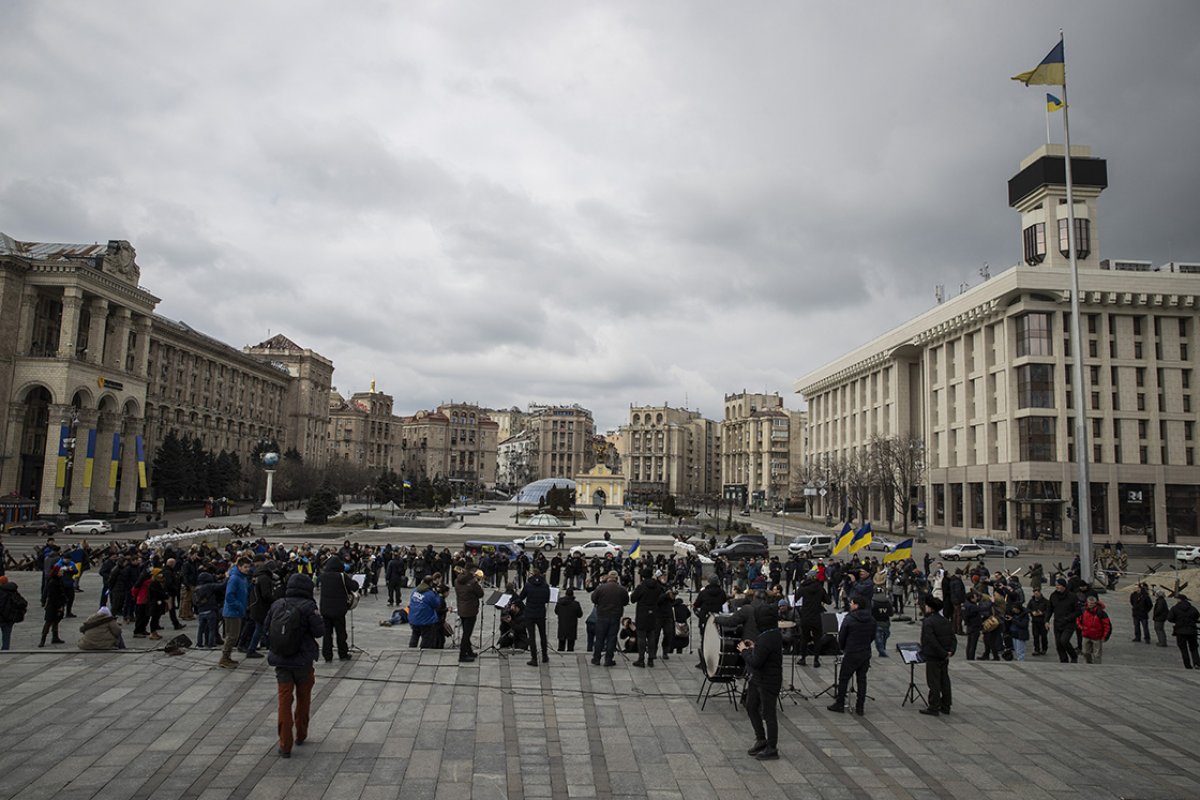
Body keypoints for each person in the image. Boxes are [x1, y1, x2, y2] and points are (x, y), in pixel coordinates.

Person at [264, 573, 325, 758]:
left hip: (281, 660)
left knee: (284, 701)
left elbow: (266, 627)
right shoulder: (309, 606)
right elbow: (319, 631)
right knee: (303, 697)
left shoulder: (277, 604)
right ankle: (301, 734)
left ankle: (285, 745)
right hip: (303, 661)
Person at [738, 605, 783, 760]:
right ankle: (761, 739)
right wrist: (754, 647)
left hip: (767, 680)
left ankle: (772, 748)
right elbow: (762, 653)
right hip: (758, 679)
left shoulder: (767, 638)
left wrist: (744, 650)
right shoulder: (771, 634)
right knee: (751, 706)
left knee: (768, 714)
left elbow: (756, 661)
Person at [828, 595, 876, 715]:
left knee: (844, 678)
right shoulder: (871, 619)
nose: (850, 604)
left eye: (852, 603)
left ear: (856, 605)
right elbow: (872, 636)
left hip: (852, 651)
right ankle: (860, 707)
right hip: (865, 652)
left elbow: (842, 636)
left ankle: (840, 704)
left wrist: (843, 648)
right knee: (862, 679)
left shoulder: (850, 618)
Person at [918, 595, 955, 717]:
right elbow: (952, 638)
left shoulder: (928, 622)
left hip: (934, 656)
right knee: (944, 680)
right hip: (944, 656)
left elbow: (930, 640)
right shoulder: (946, 620)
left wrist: (942, 653)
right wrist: (950, 651)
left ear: (931, 608)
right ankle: (946, 705)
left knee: (933, 681)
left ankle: (934, 706)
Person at [319, 555, 356, 662]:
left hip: (325, 609)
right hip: (339, 610)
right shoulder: (341, 576)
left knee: (327, 634)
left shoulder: (323, 576)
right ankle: (342, 653)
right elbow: (354, 586)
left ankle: (327, 655)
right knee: (341, 633)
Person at [220, 557, 253, 668]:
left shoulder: (242, 578)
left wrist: (251, 585)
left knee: (234, 636)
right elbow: (229, 596)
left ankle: (227, 657)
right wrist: (239, 606)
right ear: (239, 567)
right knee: (232, 636)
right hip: (232, 612)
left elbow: (243, 590)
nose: (247, 569)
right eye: (245, 567)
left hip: (237, 611)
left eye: (248, 567)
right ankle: (224, 658)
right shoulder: (235, 578)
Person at [591, 571, 628, 667]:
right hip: (615, 616)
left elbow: (594, 599)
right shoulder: (622, 589)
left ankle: (596, 658)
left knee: (600, 638)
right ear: (616, 578)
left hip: (602, 615)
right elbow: (625, 602)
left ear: (608, 577)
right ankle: (608, 659)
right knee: (612, 638)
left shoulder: (601, 588)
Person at [630, 570, 666, 668]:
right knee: (651, 636)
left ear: (643, 577)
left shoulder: (641, 587)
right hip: (653, 612)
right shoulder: (658, 586)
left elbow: (633, 599)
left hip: (642, 613)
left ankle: (641, 659)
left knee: (641, 636)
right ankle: (651, 659)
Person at [520, 568, 551, 666]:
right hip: (541, 612)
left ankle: (534, 659)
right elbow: (547, 599)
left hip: (530, 613)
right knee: (543, 635)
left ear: (532, 574)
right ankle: (545, 656)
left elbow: (521, 597)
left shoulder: (528, 585)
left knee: (531, 636)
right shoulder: (545, 585)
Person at [1045, 578, 1079, 664]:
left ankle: (1073, 656)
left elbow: (1078, 611)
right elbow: (1049, 609)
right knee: (1058, 644)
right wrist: (1046, 621)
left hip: (1069, 623)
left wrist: (1069, 618)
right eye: (1056, 585)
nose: (1057, 587)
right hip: (1057, 623)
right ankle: (1064, 660)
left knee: (1064, 640)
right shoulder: (1053, 596)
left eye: (1059, 585)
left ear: (1064, 586)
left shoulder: (1072, 596)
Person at [454, 568, 484, 663]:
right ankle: (462, 655)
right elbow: (480, 594)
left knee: (466, 632)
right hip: (470, 611)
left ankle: (469, 651)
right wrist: (477, 582)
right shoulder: (473, 583)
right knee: (467, 634)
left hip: (461, 610)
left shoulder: (457, 581)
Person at [407, 574, 443, 649]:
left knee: (415, 635)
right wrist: (437, 594)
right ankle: (423, 652)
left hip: (413, 618)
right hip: (425, 620)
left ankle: (411, 650)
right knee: (426, 638)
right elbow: (436, 604)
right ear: (430, 583)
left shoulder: (415, 591)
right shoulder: (430, 594)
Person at [1166, 594, 1200, 669]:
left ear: (1179, 600)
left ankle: (1187, 665)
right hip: (1192, 630)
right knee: (1194, 648)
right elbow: (1197, 615)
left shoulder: (1175, 608)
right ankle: (1197, 663)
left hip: (1180, 631)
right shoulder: (1192, 608)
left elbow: (1169, 618)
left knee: (1183, 648)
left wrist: (1177, 621)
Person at [1076, 596, 1112, 664]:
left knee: (1097, 655)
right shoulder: (1083, 610)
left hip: (1097, 637)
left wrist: (1105, 636)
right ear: (1087, 603)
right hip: (1086, 635)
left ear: (1095, 603)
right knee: (1085, 652)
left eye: (1092, 603)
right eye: (1089, 603)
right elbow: (1078, 619)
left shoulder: (1101, 613)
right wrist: (1081, 627)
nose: (1090, 605)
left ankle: (1097, 667)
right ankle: (1088, 664)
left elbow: (1107, 625)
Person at [40, 565, 68, 647]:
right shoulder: (52, 582)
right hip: (52, 605)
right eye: (60, 571)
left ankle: (55, 637)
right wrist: (59, 605)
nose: (62, 572)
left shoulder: (59, 580)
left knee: (56, 621)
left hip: (59, 604)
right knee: (48, 622)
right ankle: (43, 639)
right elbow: (52, 595)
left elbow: (62, 592)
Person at [0, 576, 29, 650]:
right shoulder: (13, 591)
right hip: (10, 617)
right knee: (6, 635)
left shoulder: (1, 592)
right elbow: (23, 603)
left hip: (2, 617)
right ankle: (5, 649)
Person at [1027, 588, 1049, 656]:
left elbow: (1048, 611)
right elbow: (1028, 608)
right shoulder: (1031, 601)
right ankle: (1036, 649)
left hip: (1043, 621)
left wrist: (1042, 613)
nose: (1036, 595)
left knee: (1043, 636)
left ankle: (1044, 649)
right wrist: (1031, 612)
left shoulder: (1045, 601)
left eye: (1037, 593)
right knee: (1035, 636)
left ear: (1040, 593)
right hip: (1035, 621)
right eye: (1035, 593)